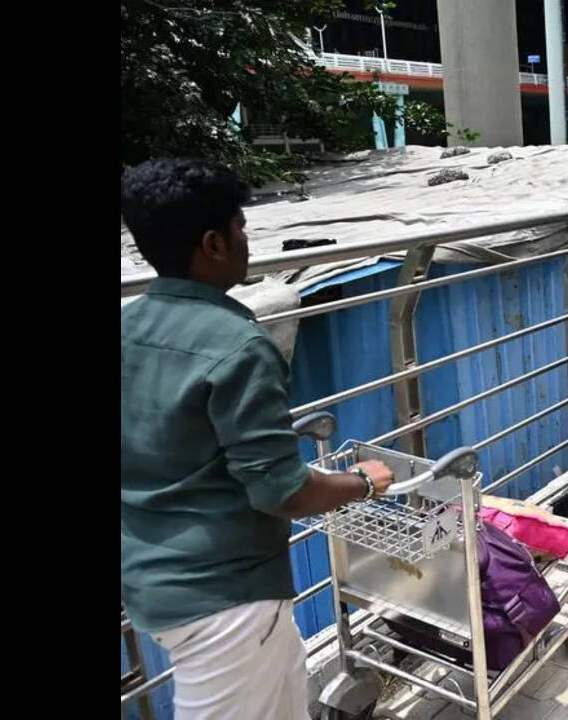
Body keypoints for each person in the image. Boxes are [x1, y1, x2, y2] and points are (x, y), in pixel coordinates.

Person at [121, 158, 397, 720]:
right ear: (213, 244)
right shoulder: (239, 345)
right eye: (241, 228)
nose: (248, 241)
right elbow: (281, 491)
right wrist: (362, 482)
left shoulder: (129, 328)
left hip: (153, 579)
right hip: (227, 595)